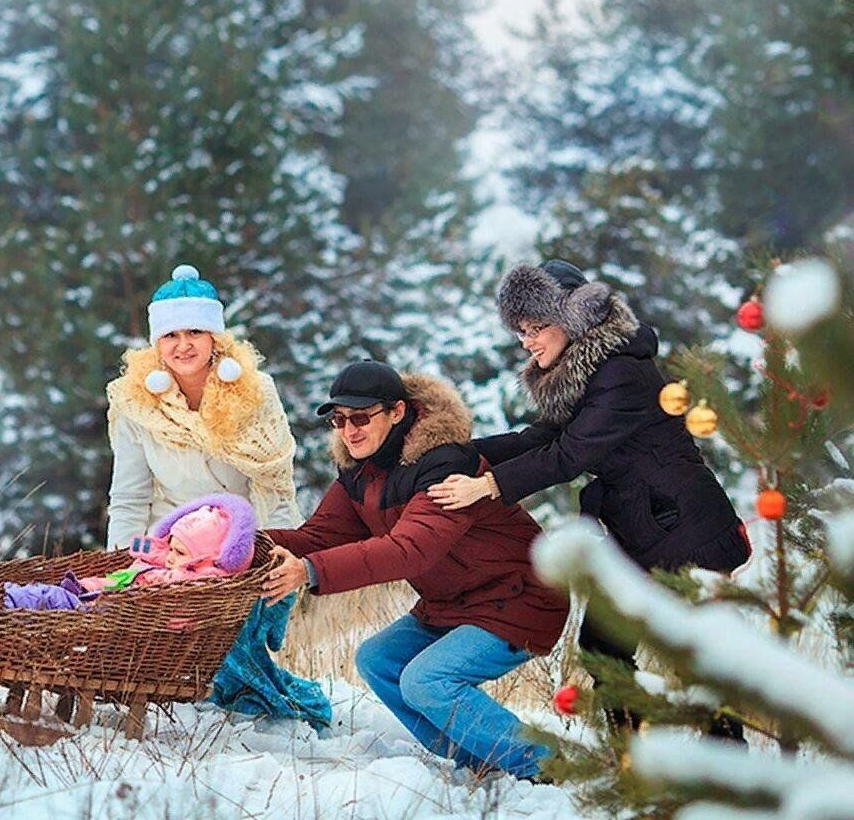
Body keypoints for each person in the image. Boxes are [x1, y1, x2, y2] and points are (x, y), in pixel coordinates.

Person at [428, 260, 749, 733]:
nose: (527, 341)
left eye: (537, 327)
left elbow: (569, 454)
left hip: (681, 528)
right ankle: (634, 761)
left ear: (574, 319)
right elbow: (536, 438)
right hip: (640, 529)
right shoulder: (585, 376)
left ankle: (726, 768)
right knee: (604, 649)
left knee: (693, 657)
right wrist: (456, 454)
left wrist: (488, 485)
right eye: (521, 330)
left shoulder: (620, 374)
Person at [262, 361, 569, 780]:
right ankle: (478, 763)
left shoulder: (444, 465)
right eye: (339, 420)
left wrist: (310, 571)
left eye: (361, 417)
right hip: (451, 603)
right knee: (379, 659)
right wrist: (240, 542)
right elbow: (319, 537)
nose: (349, 430)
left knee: (427, 681)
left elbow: (411, 550)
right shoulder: (360, 473)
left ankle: (551, 767)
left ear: (398, 413)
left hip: (519, 598)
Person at [104, 264, 297, 547]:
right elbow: (129, 499)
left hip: (244, 537)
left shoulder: (256, 390)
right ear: (157, 343)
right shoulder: (134, 401)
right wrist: (121, 569)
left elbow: (274, 489)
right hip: (172, 545)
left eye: (195, 332)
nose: (183, 346)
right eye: (171, 335)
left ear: (214, 338)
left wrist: (273, 557)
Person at [0, 493, 258, 611]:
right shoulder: (167, 561)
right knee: (48, 592)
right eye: (172, 548)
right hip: (96, 592)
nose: (170, 557)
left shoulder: (196, 581)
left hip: (112, 612)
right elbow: (143, 548)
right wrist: (162, 544)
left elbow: (192, 581)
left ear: (204, 559)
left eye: (179, 552)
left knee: (49, 599)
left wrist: (171, 567)